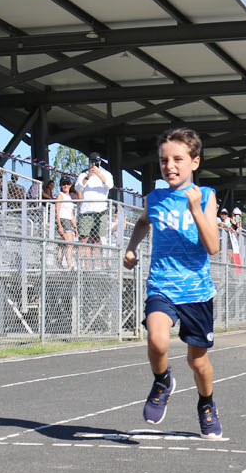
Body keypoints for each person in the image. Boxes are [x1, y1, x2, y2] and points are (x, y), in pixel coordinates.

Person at [122, 127, 222, 438]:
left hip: (196, 291)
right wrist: (131, 247)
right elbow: (142, 222)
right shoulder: (155, 198)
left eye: (178, 159)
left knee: (197, 361)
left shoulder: (205, 197)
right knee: (157, 340)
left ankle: (206, 403)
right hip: (161, 285)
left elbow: (213, 246)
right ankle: (162, 380)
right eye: (164, 160)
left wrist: (194, 210)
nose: (170, 166)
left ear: (195, 162)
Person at [75, 154, 113, 266]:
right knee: (83, 238)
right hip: (86, 211)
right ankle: (83, 267)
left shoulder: (106, 174)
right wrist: (88, 177)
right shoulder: (83, 174)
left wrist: (99, 174)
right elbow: (78, 188)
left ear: (100, 162)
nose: (94, 164)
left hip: (100, 211)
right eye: (92, 161)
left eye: (96, 161)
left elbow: (110, 185)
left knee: (97, 239)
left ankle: (95, 266)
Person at [55, 177, 77, 268]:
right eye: (63, 184)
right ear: (60, 185)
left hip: (68, 220)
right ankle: (69, 266)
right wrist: (59, 225)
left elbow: (71, 214)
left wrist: (75, 227)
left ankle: (61, 266)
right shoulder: (60, 195)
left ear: (70, 185)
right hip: (63, 220)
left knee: (64, 245)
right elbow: (57, 211)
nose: (65, 186)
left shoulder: (69, 197)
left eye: (67, 183)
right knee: (69, 244)